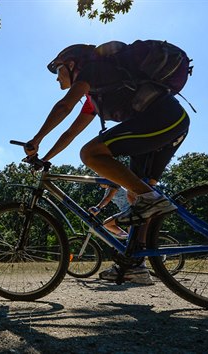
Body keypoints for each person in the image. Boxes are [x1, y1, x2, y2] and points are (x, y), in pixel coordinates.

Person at [25, 42, 190, 284]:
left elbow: (64, 106)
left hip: (163, 120)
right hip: (171, 124)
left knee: (90, 154)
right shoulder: (99, 94)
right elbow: (70, 133)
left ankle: (150, 201)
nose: (56, 77)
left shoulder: (92, 71)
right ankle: (135, 266)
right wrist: (44, 159)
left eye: (58, 69)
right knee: (138, 196)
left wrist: (36, 139)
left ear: (72, 64)